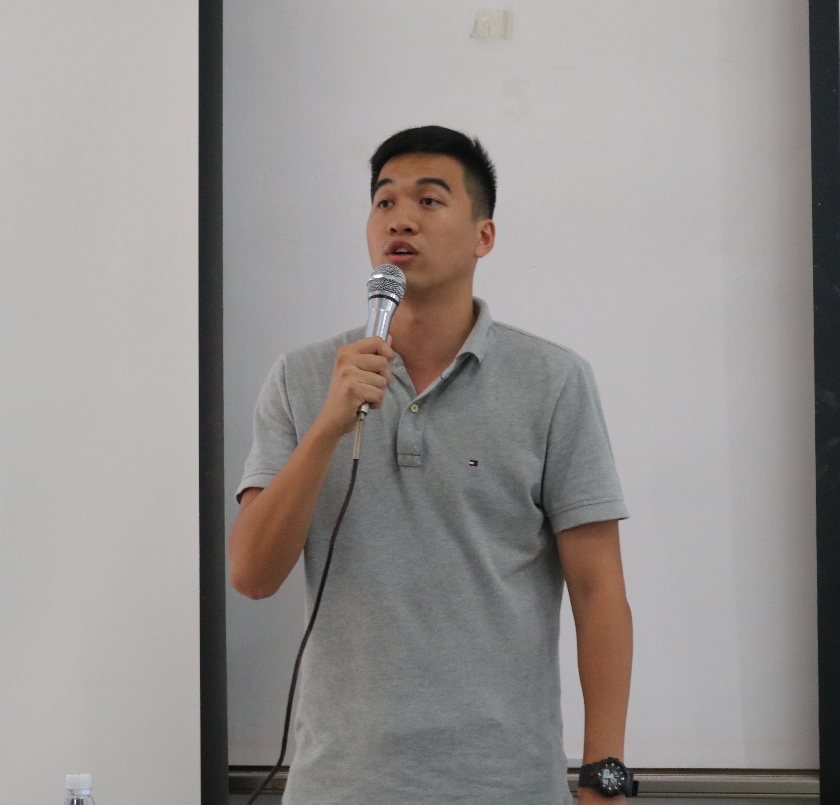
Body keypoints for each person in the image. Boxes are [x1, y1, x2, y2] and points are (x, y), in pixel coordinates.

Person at [228, 125, 634, 804]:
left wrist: (605, 775)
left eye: (429, 200)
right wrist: (327, 427)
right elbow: (251, 575)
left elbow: (598, 591)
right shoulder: (303, 378)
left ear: (483, 236)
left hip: (506, 784)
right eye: (384, 201)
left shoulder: (553, 381)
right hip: (342, 784)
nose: (401, 219)